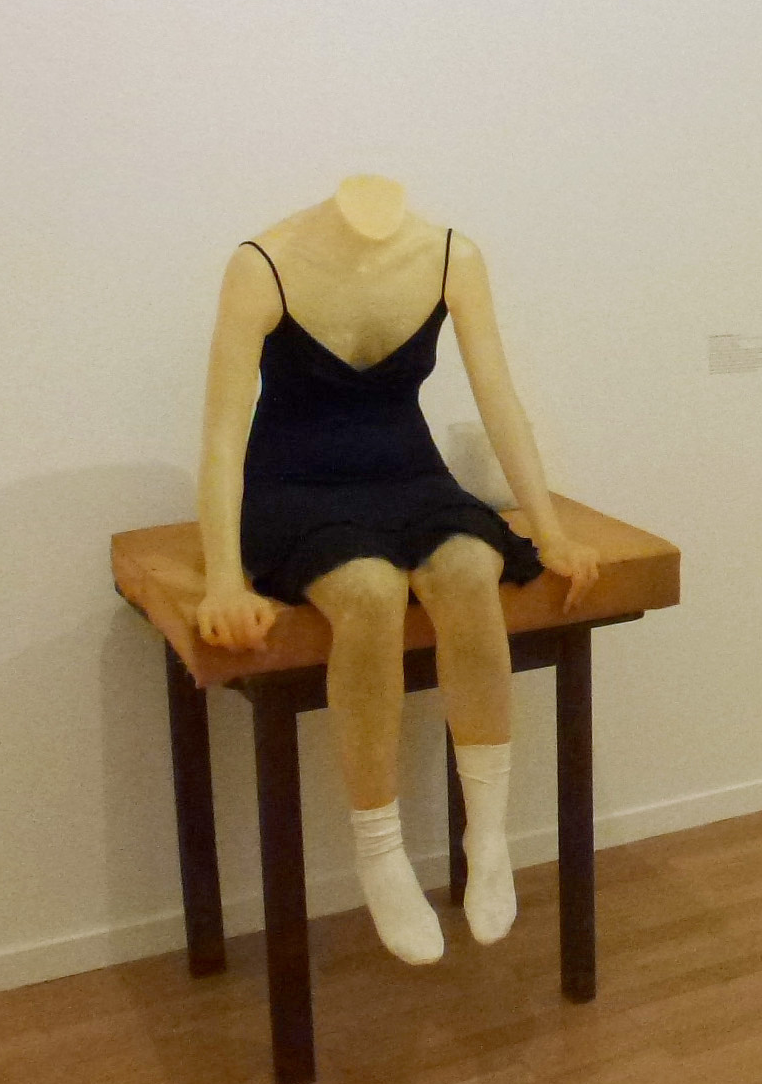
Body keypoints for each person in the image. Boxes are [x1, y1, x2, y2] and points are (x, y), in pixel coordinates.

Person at [191, 176, 598, 964]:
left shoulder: (450, 257)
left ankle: (488, 833)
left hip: (410, 474)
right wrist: (222, 579)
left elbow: (500, 401)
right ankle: (379, 848)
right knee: (370, 590)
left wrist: (549, 533)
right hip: (293, 486)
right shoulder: (263, 264)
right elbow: (221, 433)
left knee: (472, 570)